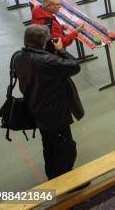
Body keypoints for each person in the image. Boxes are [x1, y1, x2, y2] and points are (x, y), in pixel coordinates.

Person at [15, 25, 82, 180]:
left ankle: (52, 177)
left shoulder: (19, 56)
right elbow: (74, 66)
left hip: (35, 109)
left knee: (49, 146)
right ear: (44, 41)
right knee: (65, 149)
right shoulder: (46, 61)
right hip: (54, 112)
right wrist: (60, 49)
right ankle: (67, 182)